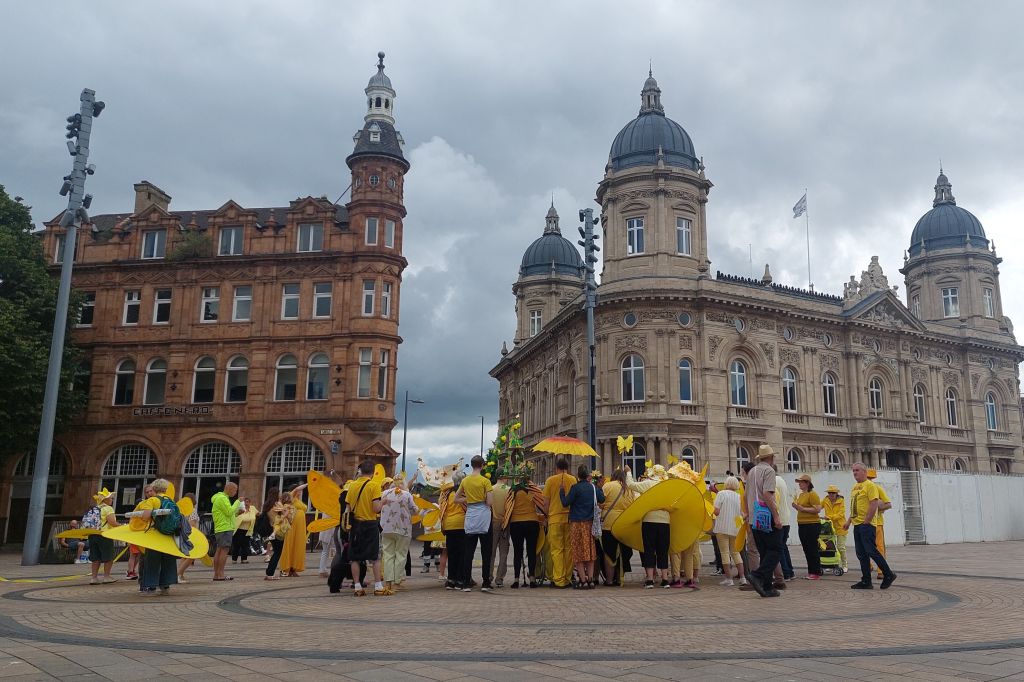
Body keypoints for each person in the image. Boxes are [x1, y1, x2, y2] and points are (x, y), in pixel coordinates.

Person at [845, 462, 897, 590]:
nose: (855, 473)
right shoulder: (855, 487)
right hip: (857, 524)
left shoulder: (870, 485)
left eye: (857, 470)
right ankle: (866, 581)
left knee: (871, 550)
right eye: (853, 471)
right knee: (861, 554)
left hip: (866, 524)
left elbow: (874, 504)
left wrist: (867, 521)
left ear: (864, 472)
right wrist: (849, 521)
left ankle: (888, 574)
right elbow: (854, 507)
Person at [746, 445, 783, 598]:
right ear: (771, 457)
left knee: (764, 551)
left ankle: (767, 587)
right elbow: (768, 494)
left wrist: (748, 515)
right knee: (775, 549)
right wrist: (776, 516)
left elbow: (746, 495)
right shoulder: (769, 471)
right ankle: (758, 575)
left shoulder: (752, 472)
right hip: (766, 516)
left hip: (754, 517)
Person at [625, 463, 671, 589]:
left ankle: (650, 580)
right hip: (665, 521)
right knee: (663, 550)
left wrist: (628, 472)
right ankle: (665, 579)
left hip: (649, 520)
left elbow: (631, 485)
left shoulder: (648, 483)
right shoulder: (667, 486)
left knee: (649, 549)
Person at [559, 465, 605, 589]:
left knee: (578, 552)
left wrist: (562, 492)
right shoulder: (593, 487)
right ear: (588, 475)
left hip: (577, 524)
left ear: (578, 476)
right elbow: (602, 499)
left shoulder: (575, 488)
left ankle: (582, 580)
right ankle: (590, 579)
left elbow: (565, 503)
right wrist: (596, 486)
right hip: (590, 524)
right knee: (590, 552)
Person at [131, 479, 179, 596]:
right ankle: (165, 586)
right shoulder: (170, 500)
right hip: (168, 535)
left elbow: (146, 516)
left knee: (152, 561)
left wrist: (142, 518)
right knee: (167, 560)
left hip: (154, 534)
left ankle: (151, 587)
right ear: (165, 488)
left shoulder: (153, 500)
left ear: (154, 489)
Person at [455, 455, 495, 592]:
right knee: (486, 551)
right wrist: (483, 499)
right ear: (483, 465)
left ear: (472, 465)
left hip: (471, 514)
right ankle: (485, 582)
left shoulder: (465, 481)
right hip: (484, 516)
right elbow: (490, 502)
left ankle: (466, 582)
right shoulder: (485, 481)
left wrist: (468, 499)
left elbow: (456, 498)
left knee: (469, 551)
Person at [346, 460, 385, 596]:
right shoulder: (374, 486)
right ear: (373, 473)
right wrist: (383, 502)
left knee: (355, 557)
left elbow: (348, 507)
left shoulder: (352, 486)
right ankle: (378, 586)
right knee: (375, 557)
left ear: (360, 471)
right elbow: (375, 508)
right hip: (370, 524)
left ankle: (357, 586)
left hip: (356, 525)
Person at [380, 474, 418, 595]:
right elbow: (415, 509)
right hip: (403, 529)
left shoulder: (384, 493)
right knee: (400, 555)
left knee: (388, 555)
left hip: (386, 528)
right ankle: (397, 583)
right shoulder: (407, 495)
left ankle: (388, 583)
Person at [542, 458, 577, 589]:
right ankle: (567, 578)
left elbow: (546, 502)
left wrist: (546, 515)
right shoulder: (573, 480)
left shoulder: (550, 481)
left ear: (556, 468)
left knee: (556, 550)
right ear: (567, 468)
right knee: (568, 549)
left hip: (554, 519)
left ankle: (558, 579)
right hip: (569, 518)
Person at [600, 469, 633, 586]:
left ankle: (609, 580)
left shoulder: (608, 486)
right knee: (622, 553)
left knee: (609, 552)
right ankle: (619, 579)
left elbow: (600, 502)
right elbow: (631, 505)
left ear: (613, 476)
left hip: (609, 524)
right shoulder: (628, 489)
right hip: (623, 524)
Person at [712, 476, 746, 587]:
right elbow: (742, 513)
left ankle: (729, 579)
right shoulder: (738, 496)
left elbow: (716, 511)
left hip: (722, 527)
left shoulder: (721, 494)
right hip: (735, 528)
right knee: (735, 553)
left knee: (724, 553)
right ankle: (742, 577)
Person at [508, 478, 542, 588]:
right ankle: (532, 578)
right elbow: (541, 501)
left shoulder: (513, 491)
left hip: (516, 523)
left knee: (518, 552)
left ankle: (516, 579)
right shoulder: (532, 489)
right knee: (531, 551)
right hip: (532, 522)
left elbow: (507, 506)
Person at [792, 474, 823, 580]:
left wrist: (803, 509)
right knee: (806, 548)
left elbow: (817, 509)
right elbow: (801, 508)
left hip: (812, 524)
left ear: (807, 483)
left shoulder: (812, 494)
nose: (799, 484)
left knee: (812, 548)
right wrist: (797, 507)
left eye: (801, 482)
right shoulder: (801, 495)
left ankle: (816, 571)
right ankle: (811, 571)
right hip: (802, 523)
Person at [88, 489, 120, 584]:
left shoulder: (94, 508)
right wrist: (122, 526)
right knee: (108, 556)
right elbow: (112, 523)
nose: (112, 500)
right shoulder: (108, 508)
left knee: (95, 557)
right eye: (110, 498)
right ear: (105, 500)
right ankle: (106, 577)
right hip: (104, 535)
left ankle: (94, 578)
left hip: (93, 534)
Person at [211, 482, 242, 581]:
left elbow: (227, 513)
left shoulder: (220, 498)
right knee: (224, 551)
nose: (235, 492)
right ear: (229, 489)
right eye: (235, 490)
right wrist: (238, 502)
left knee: (219, 550)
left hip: (221, 527)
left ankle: (216, 575)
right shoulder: (223, 498)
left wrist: (236, 513)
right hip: (225, 528)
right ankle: (220, 575)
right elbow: (229, 512)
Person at [441, 474, 467, 591]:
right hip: (462, 525)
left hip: (449, 525)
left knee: (451, 554)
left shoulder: (447, 493)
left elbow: (442, 506)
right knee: (462, 554)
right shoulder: (464, 492)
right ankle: (460, 580)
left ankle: (451, 580)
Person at [125, 484, 156, 580]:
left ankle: (133, 571)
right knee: (136, 555)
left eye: (151, 491)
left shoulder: (159, 501)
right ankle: (132, 572)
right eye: (147, 492)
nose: (149, 493)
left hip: (151, 534)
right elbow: (136, 518)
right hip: (140, 533)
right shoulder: (143, 504)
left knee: (140, 555)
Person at [866, 469, 892, 579]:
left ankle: (881, 570)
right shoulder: (859, 490)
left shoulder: (877, 489)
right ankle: (868, 566)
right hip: (864, 523)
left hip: (877, 523)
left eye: (870, 478)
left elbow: (888, 504)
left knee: (879, 547)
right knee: (864, 547)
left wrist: (878, 508)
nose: (869, 480)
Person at [279, 483, 308, 577]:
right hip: (293, 525)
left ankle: (293, 568)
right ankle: (286, 568)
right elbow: (296, 489)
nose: (300, 492)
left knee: (298, 545)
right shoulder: (291, 497)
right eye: (300, 491)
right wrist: (308, 483)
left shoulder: (299, 501)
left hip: (300, 526)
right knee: (290, 545)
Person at [488, 474, 512, 587]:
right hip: (505, 523)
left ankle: (488, 575)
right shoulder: (508, 490)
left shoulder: (491, 489)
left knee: (491, 552)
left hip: (493, 522)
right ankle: (499, 578)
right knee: (503, 552)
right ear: (505, 477)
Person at [265, 492, 294, 581]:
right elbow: (286, 517)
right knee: (277, 553)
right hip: (278, 531)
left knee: (276, 552)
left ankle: (269, 573)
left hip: (270, 529)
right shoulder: (277, 505)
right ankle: (270, 574)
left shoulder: (267, 506)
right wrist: (286, 514)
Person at [773, 465, 795, 582]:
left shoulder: (774, 481)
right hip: (785, 518)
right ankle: (790, 572)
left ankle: (785, 573)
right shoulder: (781, 480)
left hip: (779, 518)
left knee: (779, 548)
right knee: (783, 547)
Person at [821, 485, 848, 571]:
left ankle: (844, 565)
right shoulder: (825, 500)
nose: (831, 494)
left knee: (840, 547)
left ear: (837, 493)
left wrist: (829, 517)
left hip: (841, 527)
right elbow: (818, 507)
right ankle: (832, 565)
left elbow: (841, 514)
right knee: (830, 547)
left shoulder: (841, 501)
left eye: (833, 493)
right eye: (829, 492)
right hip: (829, 528)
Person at [177, 493, 200, 583]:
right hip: (190, 535)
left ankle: (180, 574)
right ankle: (178, 574)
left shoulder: (179, 510)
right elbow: (192, 524)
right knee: (192, 556)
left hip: (181, 534)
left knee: (184, 556)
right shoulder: (192, 510)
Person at [231, 497, 257, 564]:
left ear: (250, 503)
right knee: (236, 545)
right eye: (245, 502)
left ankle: (244, 559)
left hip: (248, 530)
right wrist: (238, 513)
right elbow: (234, 515)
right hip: (238, 529)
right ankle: (234, 559)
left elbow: (258, 514)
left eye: (248, 502)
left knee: (245, 545)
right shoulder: (240, 508)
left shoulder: (253, 508)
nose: (246, 503)